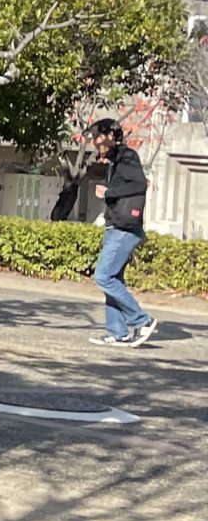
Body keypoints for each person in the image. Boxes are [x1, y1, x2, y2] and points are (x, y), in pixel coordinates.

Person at [86, 117, 156, 348]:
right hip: (117, 227)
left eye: (97, 136)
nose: (95, 141)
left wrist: (108, 193)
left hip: (124, 229)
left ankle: (142, 321)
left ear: (110, 135)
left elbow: (140, 184)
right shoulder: (117, 160)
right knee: (113, 279)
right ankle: (118, 333)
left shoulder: (127, 156)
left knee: (103, 277)